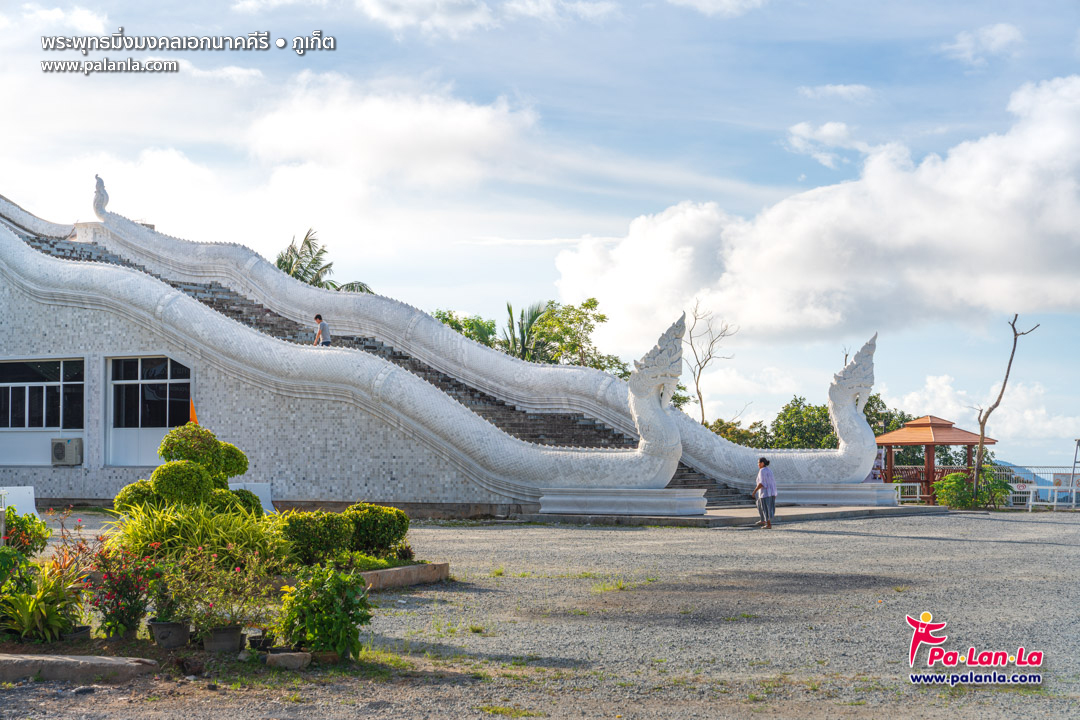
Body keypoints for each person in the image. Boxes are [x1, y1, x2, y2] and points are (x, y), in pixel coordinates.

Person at [753, 457, 777, 529]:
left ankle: (768, 524)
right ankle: (763, 520)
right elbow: (773, 482)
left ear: (762, 463)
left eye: (759, 463)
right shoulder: (769, 470)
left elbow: (762, 483)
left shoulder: (762, 471)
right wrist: (774, 493)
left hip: (765, 493)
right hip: (771, 492)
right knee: (760, 505)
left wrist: (754, 491)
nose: (758, 464)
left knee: (765, 508)